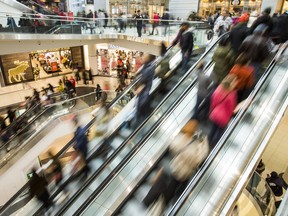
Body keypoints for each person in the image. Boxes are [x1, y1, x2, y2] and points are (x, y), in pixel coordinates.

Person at [143, 123, 209, 212]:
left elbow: (172, 146)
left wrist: (181, 135)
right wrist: (204, 143)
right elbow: (200, 159)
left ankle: (163, 203)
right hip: (186, 174)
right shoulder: (196, 148)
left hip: (176, 169)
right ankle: (175, 206)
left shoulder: (182, 139)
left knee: (171, 186)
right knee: (179, 189)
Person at [208, 74, 238, 149]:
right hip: (224, 118)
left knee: (213, 129)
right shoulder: (232, 94)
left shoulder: (218, 89)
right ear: (232, 84)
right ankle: (215, 147)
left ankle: (208, 142)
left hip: (215, 114)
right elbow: (231, 108)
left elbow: (213, 102)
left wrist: (212, 111)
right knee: (220, 132)